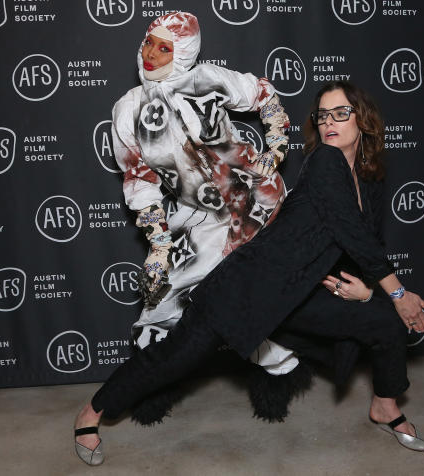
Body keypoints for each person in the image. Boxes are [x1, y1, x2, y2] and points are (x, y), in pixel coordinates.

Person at [74, 76, 424, 465]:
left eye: (340, 113)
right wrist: (397, 292)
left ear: (362, 119)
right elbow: (351, 231)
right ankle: (91, 412)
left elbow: (365, 241)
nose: (329, 122)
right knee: (173, 359)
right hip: (243, 291)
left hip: (296, 296)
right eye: (323, 115)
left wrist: (368, 290)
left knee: (384, 323)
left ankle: (385, 405)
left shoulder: (367, 177)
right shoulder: (325, 162)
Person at [107, 11, 305, 428]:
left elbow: (264, 95)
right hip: (198, 215)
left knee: (234, 300)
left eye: (165, 47)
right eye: (148, 42)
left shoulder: (209, 78)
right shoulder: (127, 111)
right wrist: (160, 245)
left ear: (183, 52)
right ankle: (153, 390)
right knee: (162, 303)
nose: (151, 54)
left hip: (254, 202)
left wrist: (276, 145)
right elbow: (139, 179)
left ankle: (278, 379)